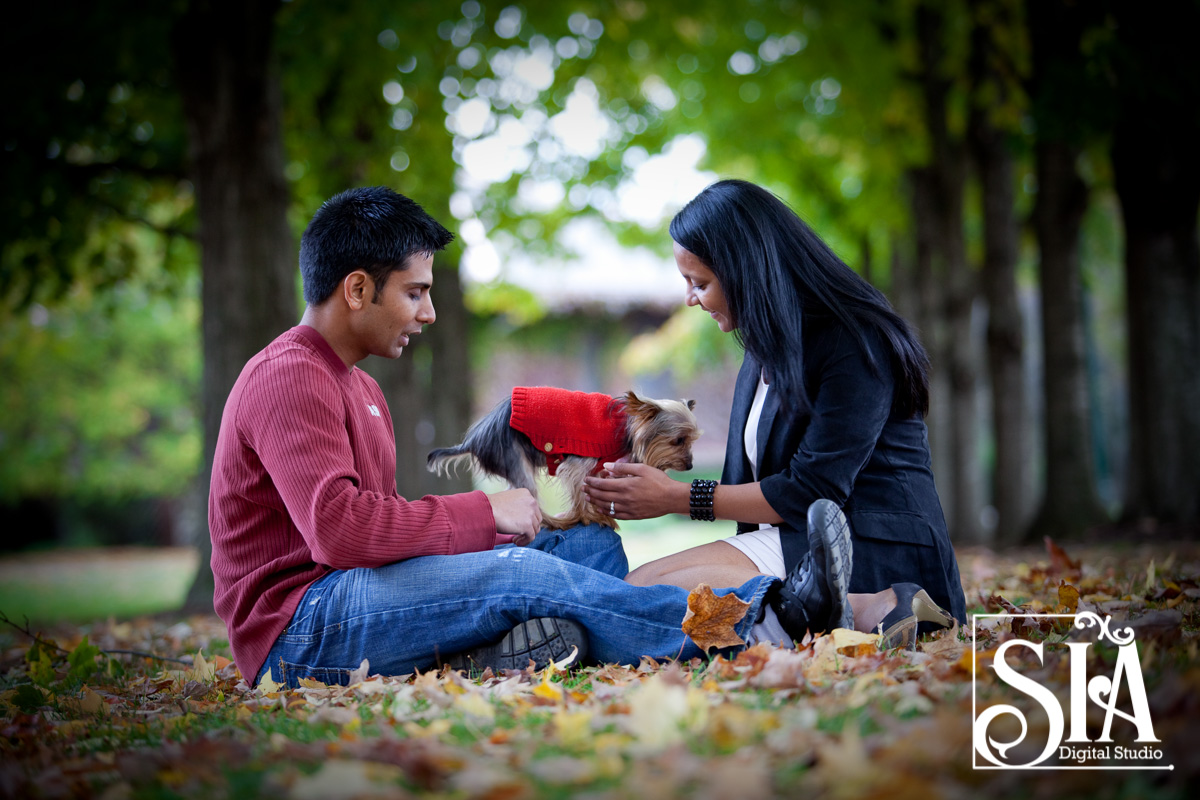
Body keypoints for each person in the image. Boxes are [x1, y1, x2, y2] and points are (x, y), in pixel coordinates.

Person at [207, 186, 851, 689]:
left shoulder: (360, 387)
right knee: (515, 573)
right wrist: (487, 514)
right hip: (299, 631)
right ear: (356, 289)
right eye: (415, 293)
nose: (429, 312)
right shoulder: (287, 377)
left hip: (355, 598)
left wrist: (488, 535)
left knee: (590, 546)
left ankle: (508, 649)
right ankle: (765, 616)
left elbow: (375, 533)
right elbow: (339, 531)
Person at [584, 179, 966, 645]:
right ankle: (809, 614)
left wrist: (674, 498)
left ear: (745, 271)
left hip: (870, 545)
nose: (690, 299)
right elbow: (759, 488)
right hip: (795, 543)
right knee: (631, 587)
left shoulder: (855, 341)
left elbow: (812, 489)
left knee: (642, 593)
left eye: (699, 283)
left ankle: (884, 606)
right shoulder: (762, 355)